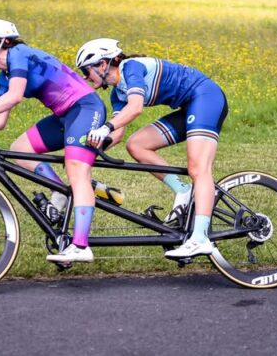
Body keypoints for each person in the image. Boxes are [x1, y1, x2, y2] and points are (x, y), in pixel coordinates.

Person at [0, 19, 106, 263]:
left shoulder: (19, 53)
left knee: (77, 171)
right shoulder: (4, 76)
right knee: (20, 149)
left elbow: (15, 96)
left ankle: (81, 246)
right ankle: (59, 192)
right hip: (64, 116)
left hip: (85, 108)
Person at [76, 38, 228, 258]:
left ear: (102, 64)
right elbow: (117, 133)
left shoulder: (131, 67)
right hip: (188, 106)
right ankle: (184, 191)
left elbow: (135, 107)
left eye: (85, 70)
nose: (85, 77)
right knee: (136, 145)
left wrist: (104, 127)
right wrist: (88, 151)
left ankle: (200, 238)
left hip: (206, 97)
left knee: (198, 167)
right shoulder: (117, 93)